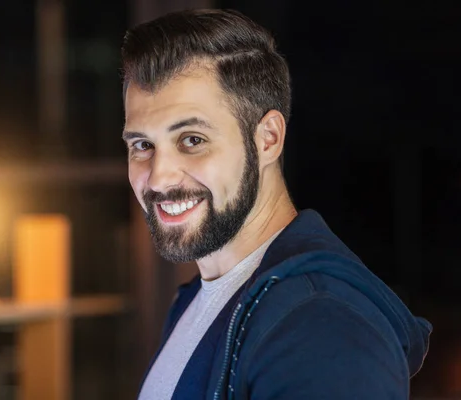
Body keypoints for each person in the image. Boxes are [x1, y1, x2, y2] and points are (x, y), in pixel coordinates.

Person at [120, 9, 431, 400]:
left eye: (192, 140)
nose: (160, 176)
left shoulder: (322, 324)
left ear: (267, 139)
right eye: (142, 145)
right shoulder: (200, 302)